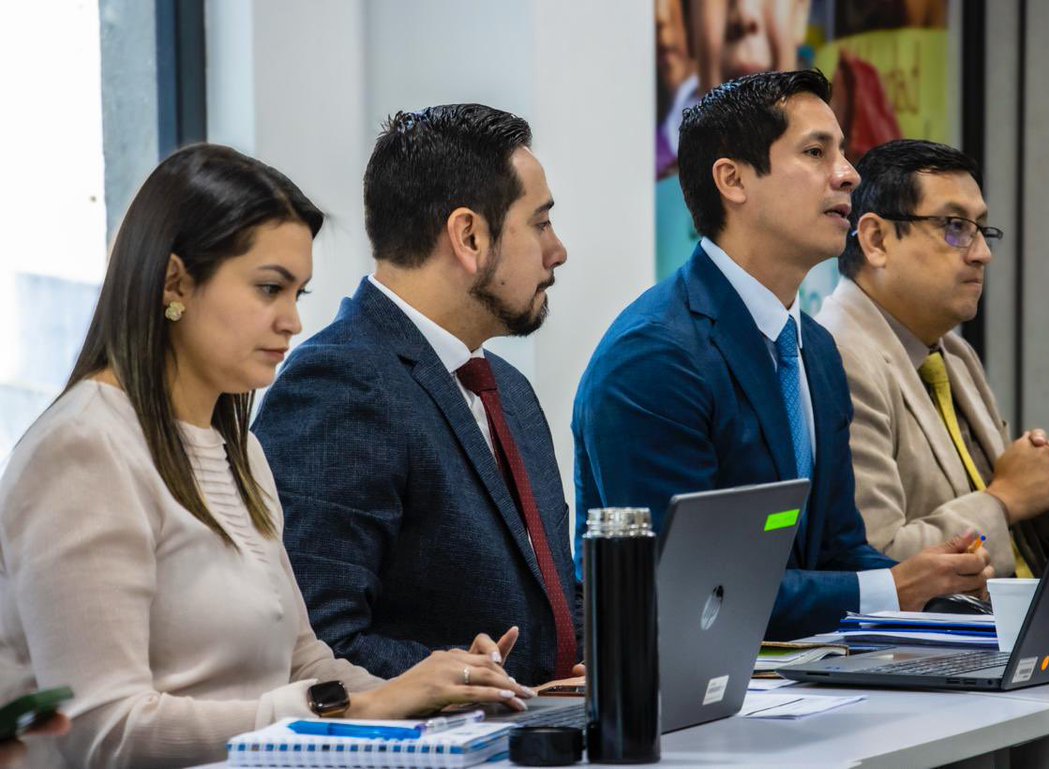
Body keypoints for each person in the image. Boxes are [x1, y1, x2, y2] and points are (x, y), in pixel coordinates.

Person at [0, 144, 532, 769]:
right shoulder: (84, 448)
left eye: (298, 293)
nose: (292, 321)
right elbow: (103, 732)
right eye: (269, 289)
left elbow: (304, 661)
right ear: (175, 282)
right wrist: (352, 709)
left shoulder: (239, 448)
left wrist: (435, 697)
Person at [573, 70, 993, 640]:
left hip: (799, 674)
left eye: (842, 152)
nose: (848, 174)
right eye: (816, 152)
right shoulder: (655, 357)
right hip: (675, 684)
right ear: (733, 180)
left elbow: (837, 549)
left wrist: (938, 587)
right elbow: (693, 588)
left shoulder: (814, 348)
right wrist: (896, 588)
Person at [254, 104, 582, 686]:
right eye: (540, 223)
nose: (557, 250)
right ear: (469, 236)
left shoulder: (508, 389)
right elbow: (319, 643)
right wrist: (473, 682)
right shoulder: (339, 383)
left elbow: (552, 602)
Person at [814, 139, 1049, 576]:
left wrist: (1047, 505)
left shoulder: (952, 352)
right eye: (955, 227)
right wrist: (1005, 500)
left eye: (982, 230)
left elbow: (1005, 515)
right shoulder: (837, 356)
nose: (982, 254)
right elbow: (876, 561)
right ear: (877, 240)